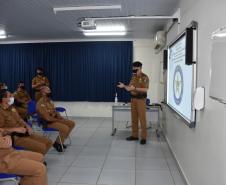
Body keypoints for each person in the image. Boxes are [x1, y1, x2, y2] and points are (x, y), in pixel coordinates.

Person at [0, 89, 53, 154]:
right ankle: (36, 159)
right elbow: (1, 130)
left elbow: (20, 119)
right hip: (15, 137)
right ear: (3, 99)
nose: (12, 97)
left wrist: (28, 126)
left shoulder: (12, 108)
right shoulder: (1, 112)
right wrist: (15, 129)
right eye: (10, 96)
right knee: (42, 147)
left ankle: (37, 158)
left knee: (49, 142)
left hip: (25, 132)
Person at [117, 61, 149, 145]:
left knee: (142, 119)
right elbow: (129, 89)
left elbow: (145, 89)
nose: (134, 70)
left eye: (136, 69)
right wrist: (124, 86)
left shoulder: (144, 77)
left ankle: (144, 137)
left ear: (140, 68)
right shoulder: (133, 77)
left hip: (141, 100)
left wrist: (134, 88)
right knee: (134, 119)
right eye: (133, 68)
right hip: (133, 100)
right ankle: (134, 135)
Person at [36, 86, 75, 152]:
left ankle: (58, 142)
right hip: (47, 122)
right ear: (43, 93)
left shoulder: (50, 101)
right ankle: (59, 144)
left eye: (50, 90)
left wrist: (60, 117)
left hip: (55, 119)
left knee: (71, 123)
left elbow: (55, 111)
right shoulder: (41, 103)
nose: (50, 92)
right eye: (48, 91)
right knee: (64, 128)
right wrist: (59, 120)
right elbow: (47, 118)